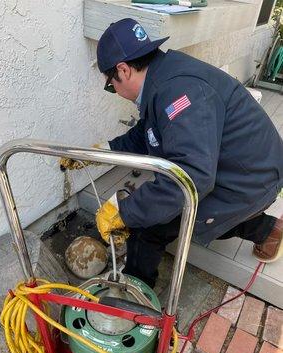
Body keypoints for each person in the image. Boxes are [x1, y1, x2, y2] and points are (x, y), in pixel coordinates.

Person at [63, 18, 283, 288]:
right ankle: (268, 231)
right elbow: (149, 133)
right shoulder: (164, 77)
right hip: (244, 169)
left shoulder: (179, 93)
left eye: (111, 85)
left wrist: (126, 211)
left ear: (123, 70)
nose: (115, 91)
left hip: (247, 181)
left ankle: (134, 295)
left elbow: (192, 177)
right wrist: (99, 153)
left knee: (149, 227)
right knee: (167, 209)